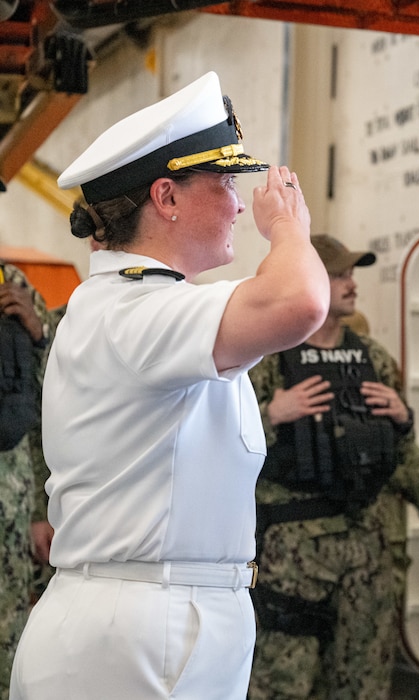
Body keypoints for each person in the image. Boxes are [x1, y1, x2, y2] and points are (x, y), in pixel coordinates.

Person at [9, 71, 330, 699]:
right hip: (135, 636)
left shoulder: (152, 309)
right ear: (168, 197)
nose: (241, 204)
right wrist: (289, 229)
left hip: (163, 620)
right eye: (226, 183)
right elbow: (300, 300)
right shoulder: (134, 310)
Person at [248, 233, 419, 700]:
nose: (351, 282)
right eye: (338, 273)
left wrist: (404, 422)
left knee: (364, 680)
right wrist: (271, 414)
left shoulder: (374, 361)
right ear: (309, 281)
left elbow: (400, 455)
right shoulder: (267, 358)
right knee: (283, 681)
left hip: (367, 550)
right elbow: (219, 447)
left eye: (351, 273)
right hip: (293, 555)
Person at [0, 264, 48, 700]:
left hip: (11, 507)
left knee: (12, 639)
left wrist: (38, 333)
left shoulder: (10, 281)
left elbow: (38, 408)